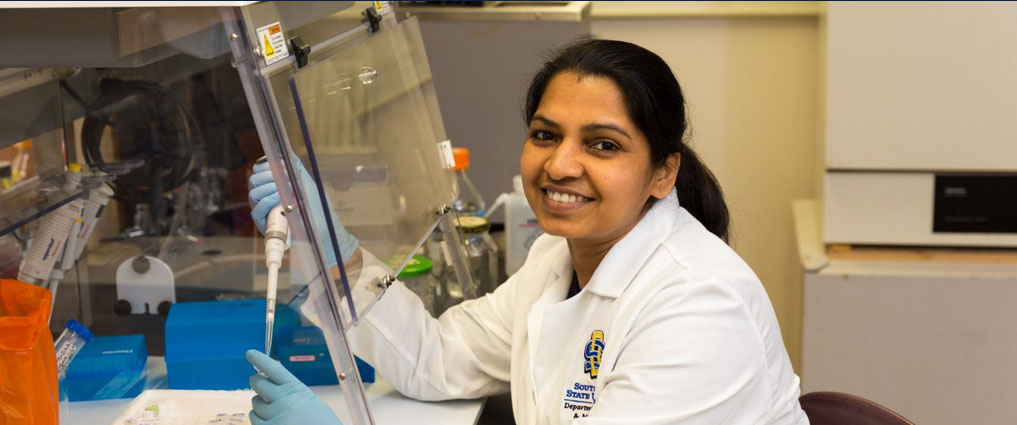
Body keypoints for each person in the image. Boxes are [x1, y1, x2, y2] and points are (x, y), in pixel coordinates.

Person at [246, 39, 809, 425]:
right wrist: (336, 253)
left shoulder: (700, 307)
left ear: (663, 173)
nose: (560, 165)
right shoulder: (556, 258)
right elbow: (439, 360)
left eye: (603, 144)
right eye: (545, 134)